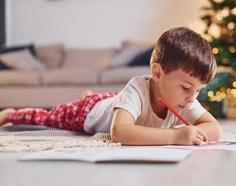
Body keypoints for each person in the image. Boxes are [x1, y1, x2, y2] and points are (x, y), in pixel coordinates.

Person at [0, 27, 222, 145]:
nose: (193, 97)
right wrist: (175, 137)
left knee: (114, 101)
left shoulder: (185, 99)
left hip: (115, 101)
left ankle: (92, 97)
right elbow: (120, 132)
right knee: (50, 117)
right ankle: (12, 114)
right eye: (186, 88)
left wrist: (196, 132)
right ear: (157, 73)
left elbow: (214, 128)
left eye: (198, 90)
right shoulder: (138, 88)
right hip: (87, 113)